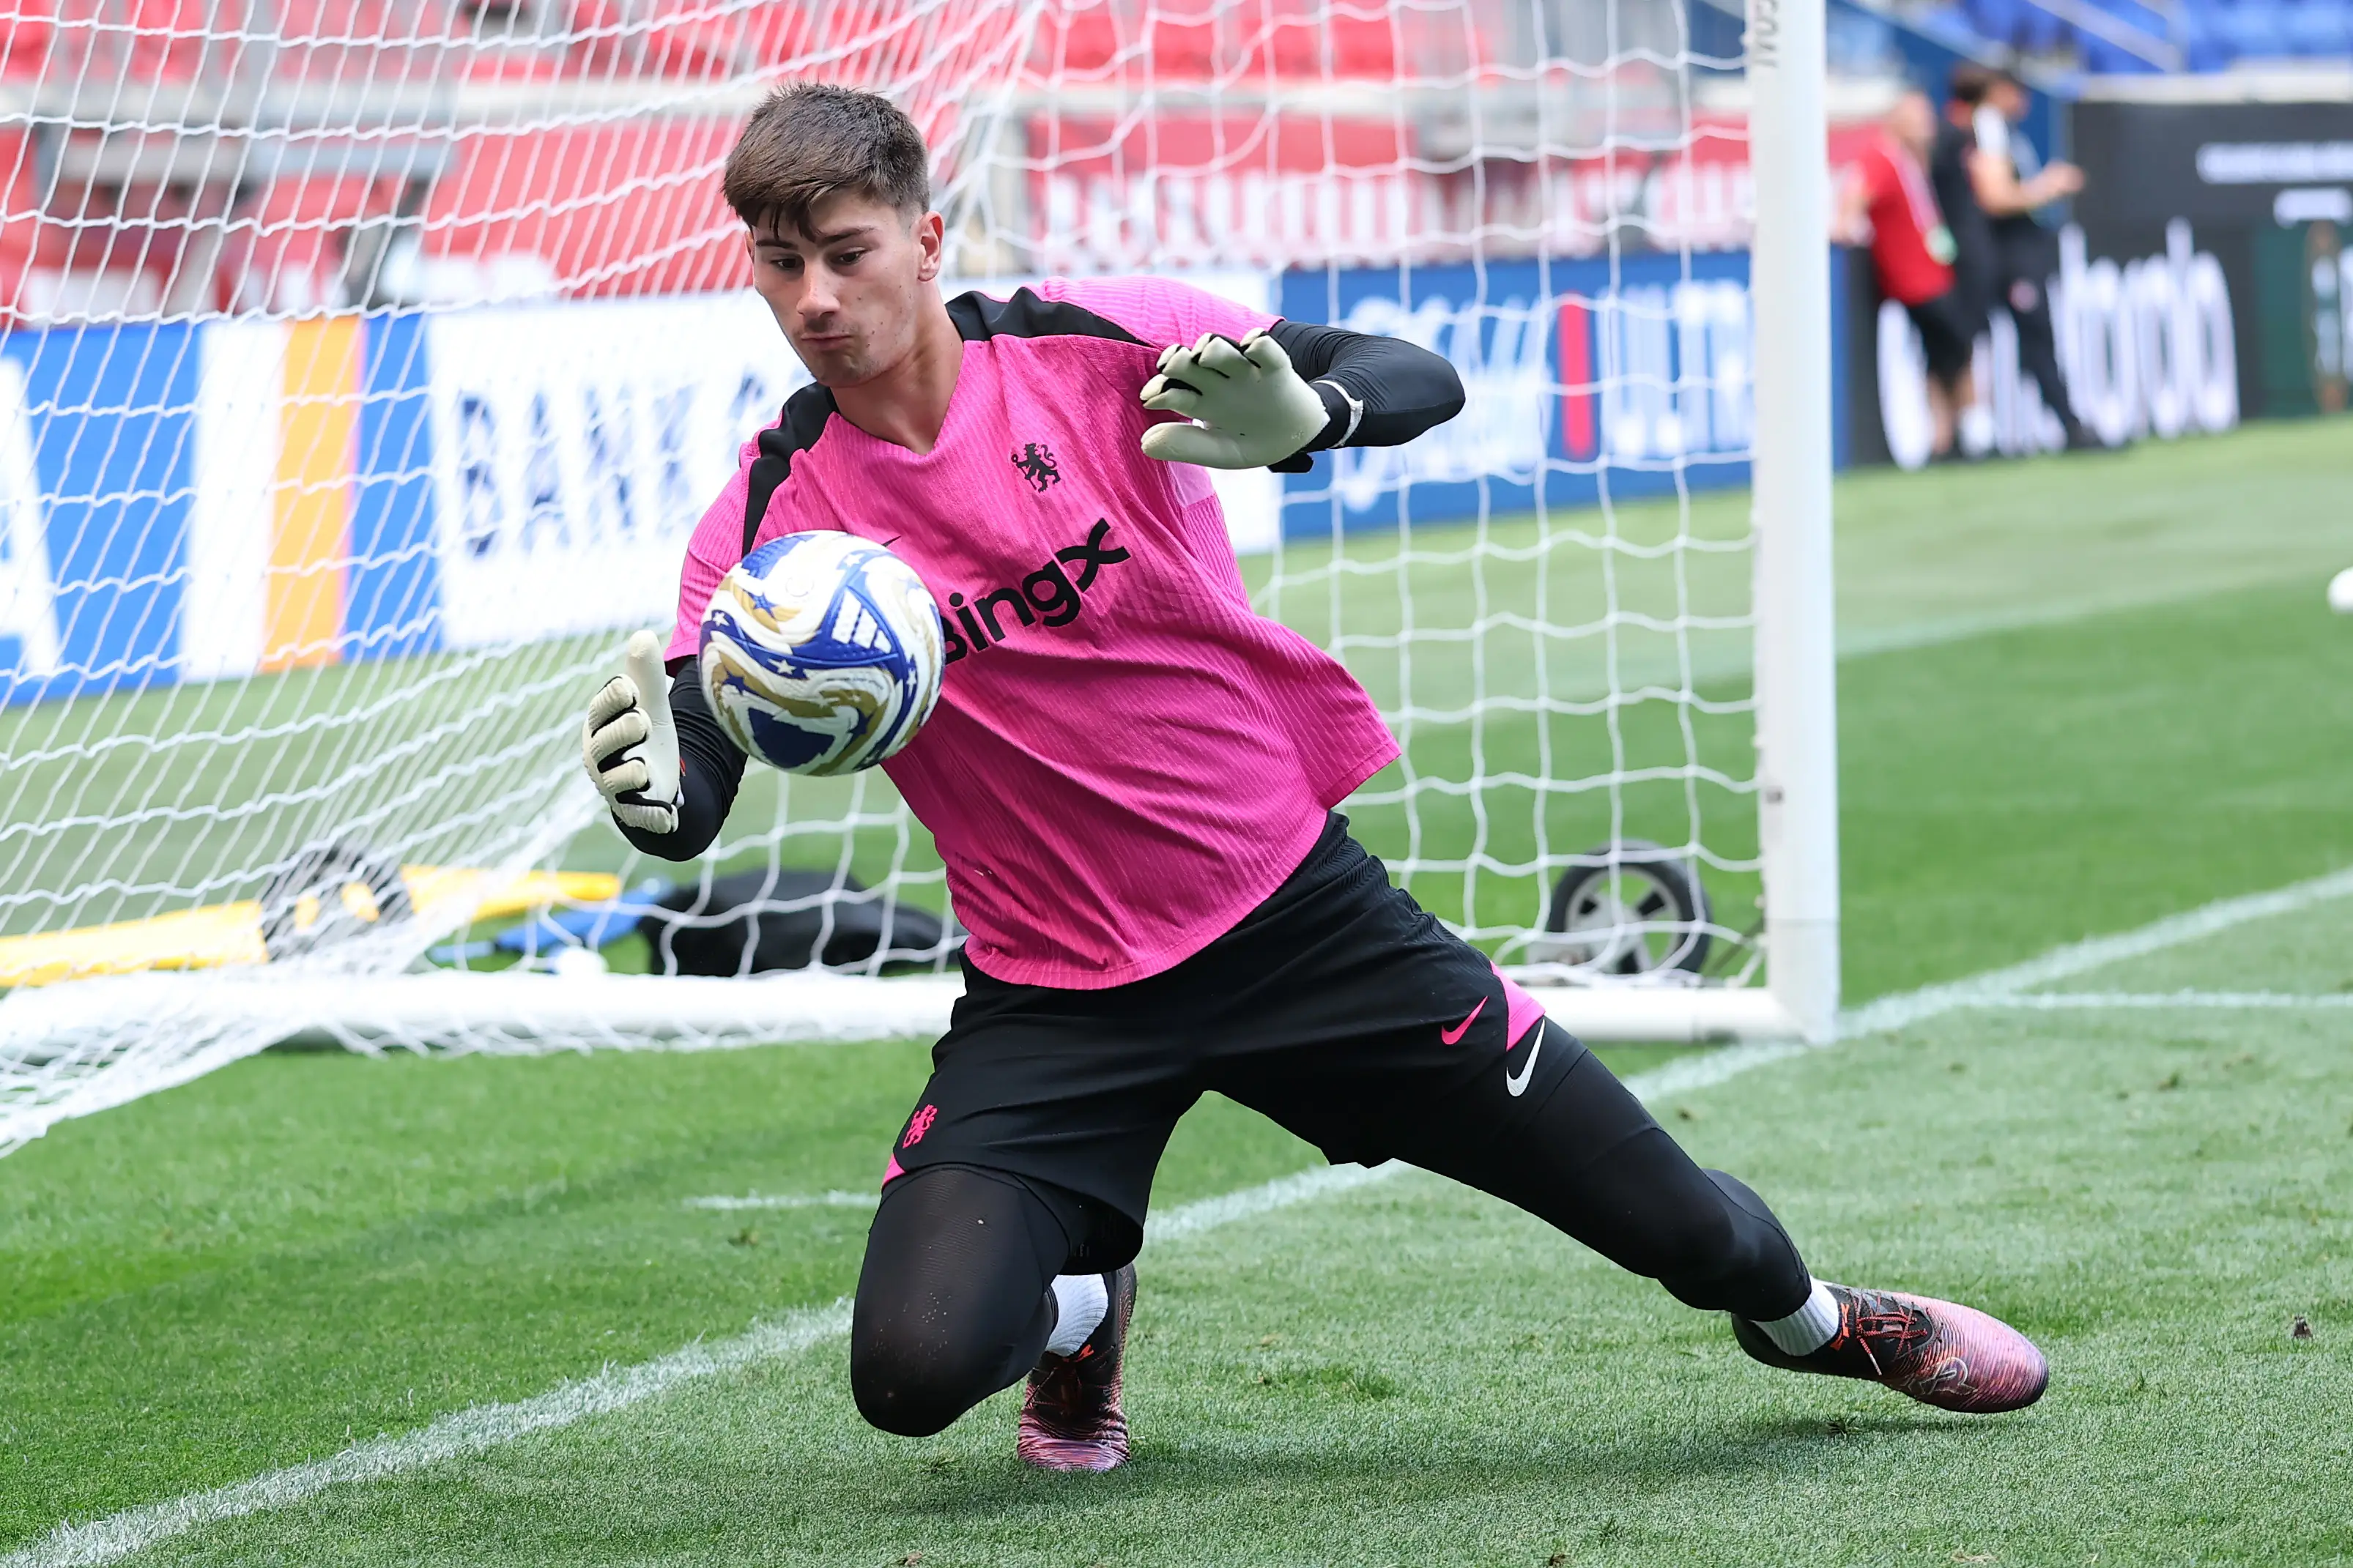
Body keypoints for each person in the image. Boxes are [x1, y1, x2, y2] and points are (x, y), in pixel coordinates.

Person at [582, 83, 2050, 1474]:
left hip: (1298, 920)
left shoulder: (1090, 345)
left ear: (924, 238)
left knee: (1695, 1233)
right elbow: (704, 756)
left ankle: (1827, 1325)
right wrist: (661, 792)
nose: (818, 301)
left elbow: (1411, 371)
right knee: (907, 1373)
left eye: (846, 255)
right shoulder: (774, 522)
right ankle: (1085, 1308)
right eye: (781, 266)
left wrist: (1314, 418)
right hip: (1053, 993)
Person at [1839, 88, 1980, 459]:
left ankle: (1948, 437)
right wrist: (1844, 227)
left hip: (1932, 273)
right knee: (1956, 347)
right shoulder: (1881, 159)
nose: (1928, 126)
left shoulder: (1907, 160)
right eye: (1919, 118)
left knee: (1943, 355)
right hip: (1915, 281)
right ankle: (1961, 431)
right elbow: (1856, 197)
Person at [1964, 67, 2098, 450]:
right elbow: (1996, 197)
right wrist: (2048, 186)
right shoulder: (1989, 126)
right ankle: (2068, 426)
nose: (2023, 103)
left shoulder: (1997, 129)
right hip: (2009, 257)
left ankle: (2062, 423)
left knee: (2031, 339)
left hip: (2013, 254)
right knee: (2034, 336)